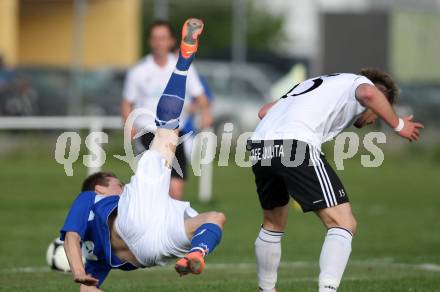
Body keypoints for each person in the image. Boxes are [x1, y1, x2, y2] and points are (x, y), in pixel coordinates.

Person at [61, 19, 225, 292]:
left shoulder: (99, 258)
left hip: (152, 246)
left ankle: (197, 252)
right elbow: (71, 236)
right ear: (100, 188)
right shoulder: (90, 197)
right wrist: (77, 270)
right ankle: (183, 63)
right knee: (167, 132)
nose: (122, 184)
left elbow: (86, 285)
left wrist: (81, 274)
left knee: (214, 218)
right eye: (114, 182)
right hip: (141, 224)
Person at [248, 70, 424, 292]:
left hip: (260, 144)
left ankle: (266, 289)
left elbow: (264, 112)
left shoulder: (319, 84)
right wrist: (398, 124)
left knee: (273, 223)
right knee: (343, 223)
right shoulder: (361, 84)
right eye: (380, 112)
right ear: (382, 96)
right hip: (295, 143)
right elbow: (369, 93)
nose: (375, 119)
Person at [121, 20, 213, 200]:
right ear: (150, 41)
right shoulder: (139, 71)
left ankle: (169, 225)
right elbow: (127, 103)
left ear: (171, 41)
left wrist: (205, 112)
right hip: (147, 130)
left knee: (176, 189)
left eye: (163, 38)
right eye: (155, 38)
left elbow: (202, 98)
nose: (159, 43)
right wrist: (128, 126)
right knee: (153, 185)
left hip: (175, 131)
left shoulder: (182, 67)